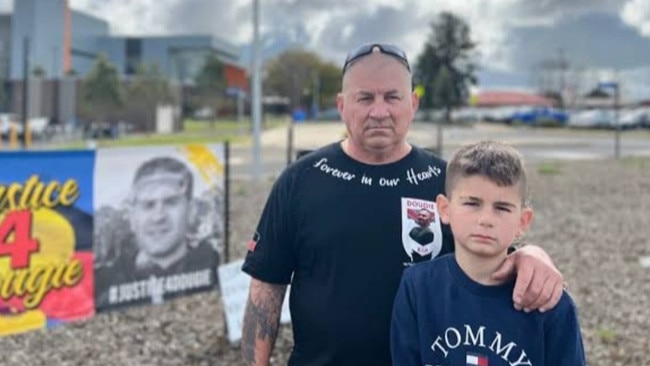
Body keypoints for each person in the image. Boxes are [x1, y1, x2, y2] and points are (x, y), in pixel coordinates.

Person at [240, 43, 564, 366]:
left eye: (392, 97)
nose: (379, 112)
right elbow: (267, 286)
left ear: (413, 103)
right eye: (365, 97)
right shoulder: (301, 180)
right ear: (341, 105)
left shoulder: (448, 182)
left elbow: (494, 253)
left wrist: (531, 255)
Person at [391, 140, 585, 365]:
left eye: (502, 208)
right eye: (472, 203)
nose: (485, 220)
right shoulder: (418, 286)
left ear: (523, 221)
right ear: (444, 209)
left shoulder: (548, 302)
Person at [94, 156, 219, 308]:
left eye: (170, 202)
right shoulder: (102, 283)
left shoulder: (214, 268)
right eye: (148, 205)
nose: (158, 217)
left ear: (191, 211)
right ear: (132, 217)